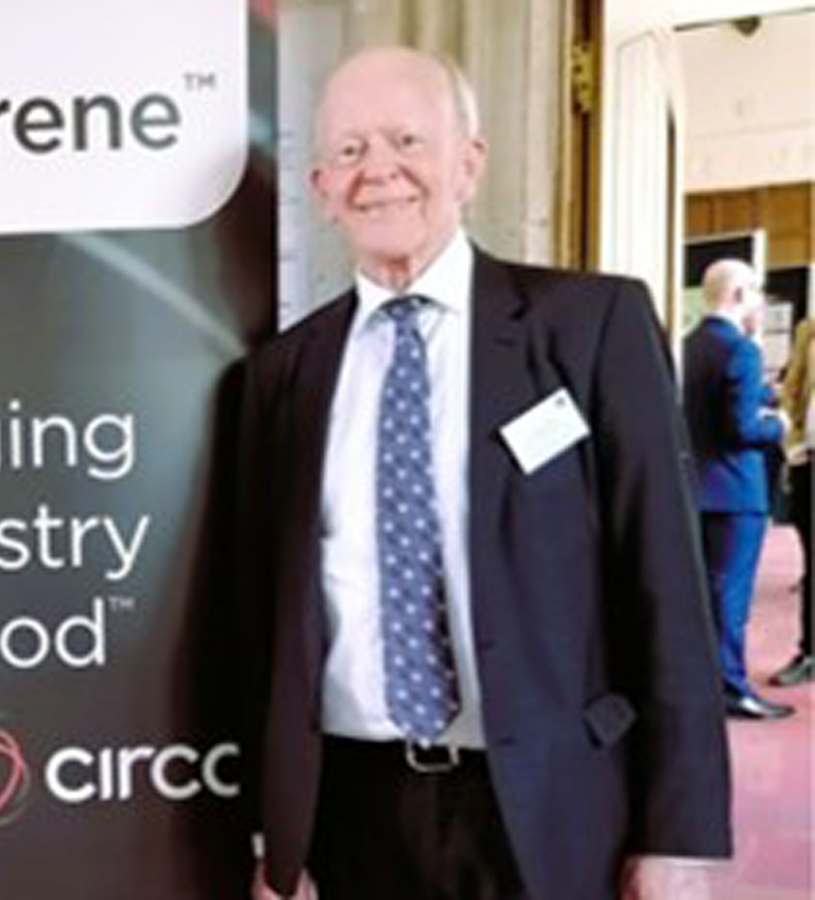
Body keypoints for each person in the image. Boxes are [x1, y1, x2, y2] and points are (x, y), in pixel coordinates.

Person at [235, 47, 730, 900]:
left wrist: (677, 835)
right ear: (319, 186)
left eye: (407, 140)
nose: (378, 170)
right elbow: (259, 621)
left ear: (469, 163)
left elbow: (666, 587)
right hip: (350, 810)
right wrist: (273, 834)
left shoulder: (592, 327)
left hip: (551, 806)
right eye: (349, 150)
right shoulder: (282, 375)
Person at [682, 259, 793, 719]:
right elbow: (743, 429)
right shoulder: (742, 350)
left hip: (696, 488)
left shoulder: (689, 345)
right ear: (739, 294)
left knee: (703, 594)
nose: (761, 303)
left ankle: (701, 683)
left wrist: (761, 397)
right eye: (757, 292)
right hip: (735, 492)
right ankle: (731, 689)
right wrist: (778, 424)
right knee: (731, 597)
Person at [771, 317, 813, 686]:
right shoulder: (808, 330)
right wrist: (793, 445)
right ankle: (810, 652)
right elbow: (792, 392)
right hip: (809, 462)